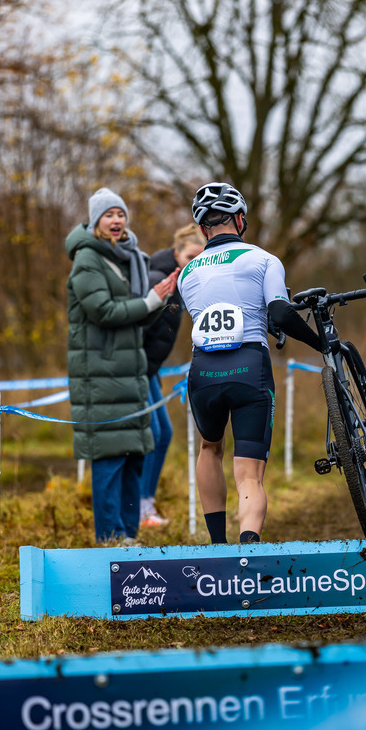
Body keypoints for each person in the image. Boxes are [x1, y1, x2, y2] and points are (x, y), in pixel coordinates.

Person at [178, 181, 324, 545]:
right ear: (240, 220)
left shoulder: (186, 273)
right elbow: (280, 312)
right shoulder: (263, 259)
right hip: (249, 367)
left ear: (202, 228)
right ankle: (247, 546)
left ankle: (216, 548)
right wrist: (320, 344)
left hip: (203, 373)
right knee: (249, 476)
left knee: (209, 448)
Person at [66, 188, 176, 544]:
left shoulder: (130, 258)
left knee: (134, 456)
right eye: (109, 215)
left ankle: (129, 535)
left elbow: (138, 318)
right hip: (101, 376)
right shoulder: (87, 259)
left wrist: (159, 299)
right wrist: (148, 301)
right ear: (95, 221)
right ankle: (109, 538)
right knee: (110, 459)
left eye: (121, 214)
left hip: (132, 374)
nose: (116, 221)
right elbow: (104, 312)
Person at [139, 225, 204, 528]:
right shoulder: (157, 279)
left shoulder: (184, 282)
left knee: (163, 434)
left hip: (150, 370)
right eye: (190, 256)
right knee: (152, 435)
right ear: (177, 253)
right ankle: (140, 507)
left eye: (200, 257)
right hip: (137, 369)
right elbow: (138, 327)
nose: (195, 262)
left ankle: (146, 504)